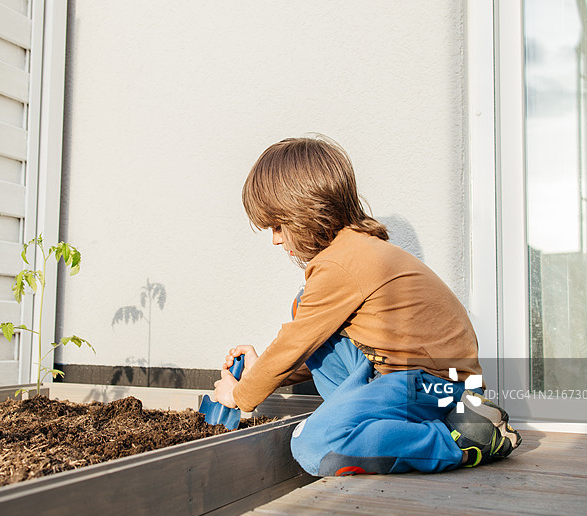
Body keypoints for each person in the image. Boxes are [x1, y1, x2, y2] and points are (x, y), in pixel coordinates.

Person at [212, 135, 521, 475]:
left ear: (304, 211)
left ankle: (461, 441)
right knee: (304, 306)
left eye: (277, 226)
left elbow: (293, 343)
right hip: (416, 380)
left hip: (434, 387)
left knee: (314, 447)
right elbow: (311, 346)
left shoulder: (340, 264)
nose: (275, 239)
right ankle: (386, 426)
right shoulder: (352, 252)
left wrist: (240, 394)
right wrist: (259, 371)